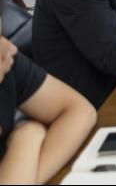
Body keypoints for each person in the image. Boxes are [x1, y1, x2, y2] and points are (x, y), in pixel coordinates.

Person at [0, 32, 95, 184]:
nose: (11, 48)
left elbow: (80, 111)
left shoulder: (6, 61)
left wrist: (26, 175)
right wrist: (27, 136)